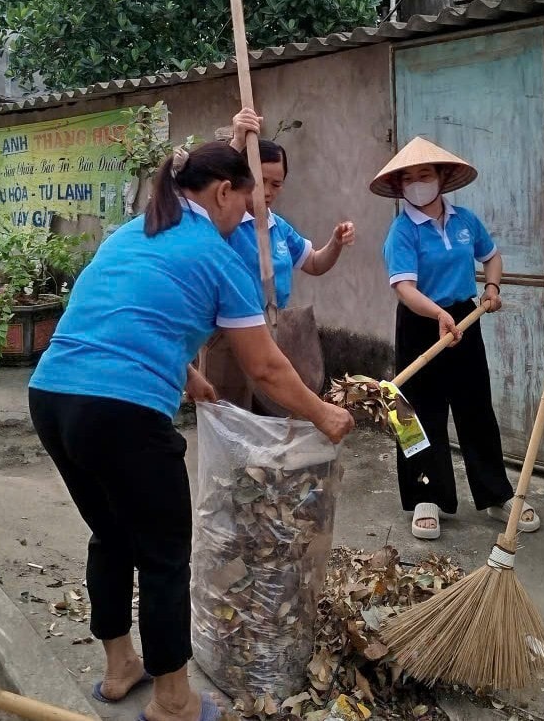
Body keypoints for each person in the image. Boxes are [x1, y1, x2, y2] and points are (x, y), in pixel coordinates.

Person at [28, 139, 354, 721]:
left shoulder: (131, 232)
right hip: (121, 414)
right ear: (223, 192)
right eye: (247, 203)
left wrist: (186, 376)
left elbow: (124, 314)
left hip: (53, 397)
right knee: (163, 555)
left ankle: (120, 666)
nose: (249, 217)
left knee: (112, 535)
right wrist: (323, 413)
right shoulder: (221, 255)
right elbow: (266, 367)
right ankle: (174, 702)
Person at [370, 136, 538, 540]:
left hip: (465, 318)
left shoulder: (465, 221)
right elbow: (405, 288)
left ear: (442, 178)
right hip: (419, 321)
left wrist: (492, 288)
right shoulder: (402, 231)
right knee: (413, 413)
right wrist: (438, 314)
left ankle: (497, 495)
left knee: (476, 408)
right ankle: (425, 498)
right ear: (400, 187)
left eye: (424, 175)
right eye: (408, 179)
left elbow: (491, 255)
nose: (417, 183)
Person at [227, 108, 355, 309]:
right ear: (242, 178)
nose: (267, 191)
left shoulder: (278, 227)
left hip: (276, 324)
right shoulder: (225, 225)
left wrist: (336, 242)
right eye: (260, 181)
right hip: (235, 330)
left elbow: (314, 263)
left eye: (276, 184)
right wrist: (236, 144)